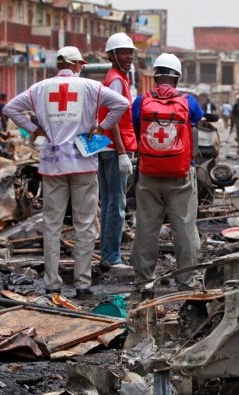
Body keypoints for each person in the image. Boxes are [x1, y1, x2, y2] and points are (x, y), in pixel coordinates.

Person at [4, 46, 129, 297]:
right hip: (83, 164)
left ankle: (52, 284)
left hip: (52, 166)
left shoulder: (39, 89)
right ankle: (83, 284)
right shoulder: (90, 87)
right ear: (76, 65)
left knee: (52, 225)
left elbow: (10, 109)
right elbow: (122, 104)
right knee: (85, 225)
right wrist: (101, 128)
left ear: (58, 65)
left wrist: (35, 129)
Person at [131, 53, 203, 291]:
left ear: (155, 76)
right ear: (177, 77)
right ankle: (186, 281)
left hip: (149, 173)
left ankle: (144, 281)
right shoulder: (189, 101)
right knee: (184, 227)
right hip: (180, 175)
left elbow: (136, 127)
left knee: (146, 227)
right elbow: (198, 122)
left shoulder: (141, 101)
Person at [97, 33, 137, 271]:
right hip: (114, 149)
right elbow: (114, 118)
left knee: (110, 202)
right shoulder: (116, 81)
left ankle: (107, 254)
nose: (129, 56)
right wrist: (122, 152)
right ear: (111, 55)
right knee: (116, 203)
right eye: (123, 52)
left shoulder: (117, 78)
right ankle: (111, 257)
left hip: (107, 146)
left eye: (131, 52)